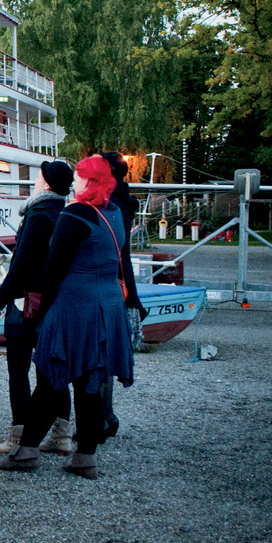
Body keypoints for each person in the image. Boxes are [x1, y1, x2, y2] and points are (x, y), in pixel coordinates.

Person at [0, 154, 135, 479]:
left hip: (75, 308)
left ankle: (26, 451)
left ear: (89, 181)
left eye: (82, 177)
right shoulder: (115, 213)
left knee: (49, 380)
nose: (77, 182)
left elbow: (53, 272)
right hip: (107, 307)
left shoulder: (74, 215)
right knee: (89, 383)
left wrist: (43, 316)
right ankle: (85, 458)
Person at [0, 160, 73, 455]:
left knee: (18, 370)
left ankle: (19, 435)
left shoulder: (38, 215)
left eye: (38, 177)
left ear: (47, 184)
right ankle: (62, 434)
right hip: (54, 301)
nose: (35, 181)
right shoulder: (65, 213)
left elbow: (21, 263)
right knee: (53, 369)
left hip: (26, 302)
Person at [99, 150, 149, 438]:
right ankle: (106, 416)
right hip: (122, 279)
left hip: (113, 281)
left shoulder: (111, 202)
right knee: (104, 356)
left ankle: (104, 417)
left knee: (101, 356)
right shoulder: (123, 199)